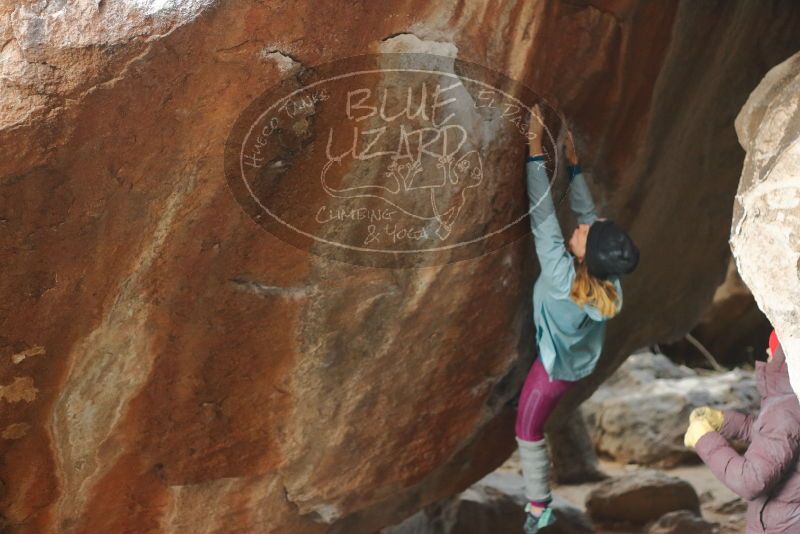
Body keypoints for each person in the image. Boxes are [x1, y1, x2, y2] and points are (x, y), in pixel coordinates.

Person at [517, 105, 639, 533]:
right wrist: (573, 166)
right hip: (581, 359)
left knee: (528, 429)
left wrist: (533, 150)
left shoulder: (559, 277)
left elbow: (543, 218)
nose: (582, 228)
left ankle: (539, 505)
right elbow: (588, 218)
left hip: (553, 369)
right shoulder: (607, 282)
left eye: (586, 234)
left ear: (585, 255)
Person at [685, 330, 800, 534]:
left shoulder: (785, 407)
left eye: (772, 346)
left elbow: (751, 480)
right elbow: (777, 439)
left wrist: (704, 439)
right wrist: (724, 422)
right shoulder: (791, 399)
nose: (766, 350)